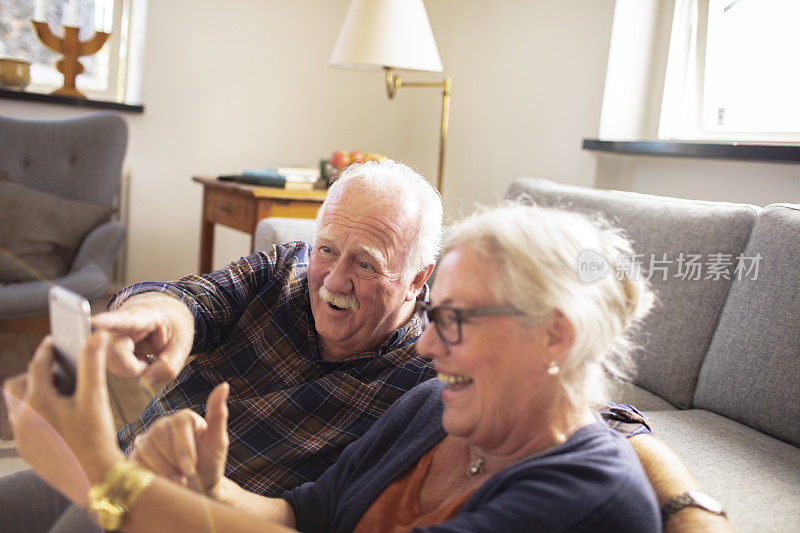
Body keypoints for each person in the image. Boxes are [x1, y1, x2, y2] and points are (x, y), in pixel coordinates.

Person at [5, 203, 665, 532]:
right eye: (434, 319)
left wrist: (105, 476)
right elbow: (297, 516)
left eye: (456, 321)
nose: (429, 348)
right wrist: (209, 485)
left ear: (556, 336)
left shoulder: (583, 498)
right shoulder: (434, 410)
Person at [0, 159, 442, 530]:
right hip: (122, 459)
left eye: (365, 263)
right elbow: (190, 299)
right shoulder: (287, 269)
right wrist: (155, 313)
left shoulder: (425, 380)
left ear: (417, 278)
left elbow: (318, 517)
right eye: (327, 249)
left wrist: (205, 490)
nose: (333, 279)